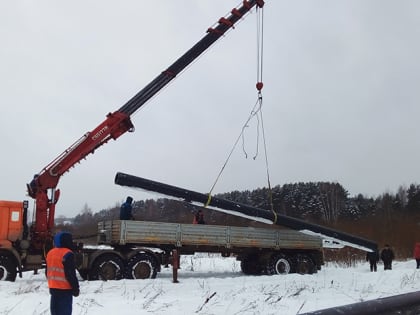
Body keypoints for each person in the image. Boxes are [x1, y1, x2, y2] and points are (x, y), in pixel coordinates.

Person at [46, 232, 79, 315]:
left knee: (55, 312)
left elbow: (47, 272)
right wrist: (75, 288)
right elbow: (70, 273)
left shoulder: (50, 253)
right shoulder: (68, 254)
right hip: (65, 290)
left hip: (53, 288)